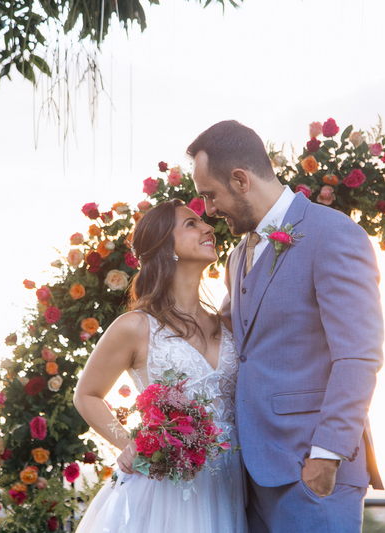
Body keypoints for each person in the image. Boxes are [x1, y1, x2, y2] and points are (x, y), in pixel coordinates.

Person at [188, 120, 385, 532]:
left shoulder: (333, 234)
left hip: (312, 471)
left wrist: (326, 456)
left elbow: (358, 355)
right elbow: (230, 339)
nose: (209, 209)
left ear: (240, 180)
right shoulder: (239, 254)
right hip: (251, 476)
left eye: (210, 194)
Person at [73, 199, 247, 533]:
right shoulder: (135, 326)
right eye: (192, 224)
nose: (208, 227)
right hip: (165, 489)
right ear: (166, 247)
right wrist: (129, 444)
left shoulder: (227, 323)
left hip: (230, 481)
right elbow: (87, 394)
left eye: (203, 221)